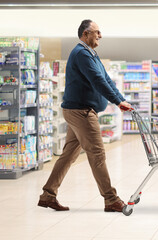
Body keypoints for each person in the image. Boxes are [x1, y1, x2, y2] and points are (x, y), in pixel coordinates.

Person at [38, 19, 132, 212]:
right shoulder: (81, 53)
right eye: (97, 32)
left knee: (68, 155)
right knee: (97, 153)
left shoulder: (91, 54)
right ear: (85, 34)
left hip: (78, 111)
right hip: (81, 112)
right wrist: (117, 101)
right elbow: (97, 80)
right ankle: (111, 199)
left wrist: (121, 99)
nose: (100, 35)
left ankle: (48, 195)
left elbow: (106, 78)